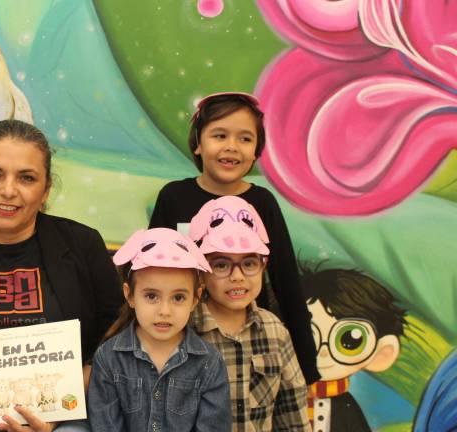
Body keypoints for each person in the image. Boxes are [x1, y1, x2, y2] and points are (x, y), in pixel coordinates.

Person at [0, 119, 123, 432]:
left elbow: (117, 337)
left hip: (62, 421)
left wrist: (58, 410)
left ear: (46, 190)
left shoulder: (82, 245)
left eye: (26, 178)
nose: (8, 190)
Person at [148, 92, 319, 385]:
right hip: (186, 342)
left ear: (256, 152)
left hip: (249, 345)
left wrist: (307, 369)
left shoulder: (262, 202)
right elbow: (150, 274)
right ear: (198, 144)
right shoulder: (174, 197)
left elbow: (287, 283)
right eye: (219, 135)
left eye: (245, 138)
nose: (232, 147)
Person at [87, 227, 231, 431]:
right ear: (129, 296)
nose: (164, 311)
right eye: (151, 296)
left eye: (178, 298)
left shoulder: (210, 364)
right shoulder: (108, 359)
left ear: (195, 299)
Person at [190, 195, 309, 431]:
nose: (237, 276)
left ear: (263, 266)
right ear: (201, 271)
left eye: (249, 263)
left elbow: (292, 411)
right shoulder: (183, 330)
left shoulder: (274, 330)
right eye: (222, 264)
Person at [301, 267, 407, 432]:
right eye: (308, 336)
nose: (323, 352)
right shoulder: (278, 397)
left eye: (349, 340)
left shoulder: (345, 408)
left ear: (382, 353)